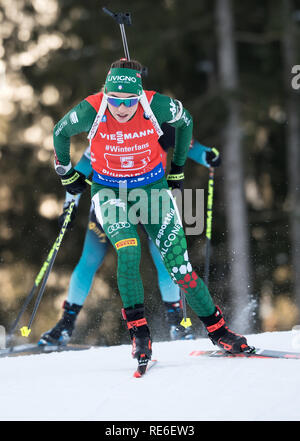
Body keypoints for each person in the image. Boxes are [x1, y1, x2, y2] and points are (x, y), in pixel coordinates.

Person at [47, 58, 250, 369]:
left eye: (130, 100)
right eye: (115, 99)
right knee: (116, 254)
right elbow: (68, 145)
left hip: (152, 192)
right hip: (110, 196)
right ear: (106, 93)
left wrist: (185, 166)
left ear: (140, 92)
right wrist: (67, 187)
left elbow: (187, 131)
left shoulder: (156, 111)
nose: (122, 107)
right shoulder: (95, 112)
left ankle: (211, 329)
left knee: (176, 266)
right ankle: (130, 333)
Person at [38, 130, 221, 346]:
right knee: (89, 259)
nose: (122, 109)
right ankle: (65, 325)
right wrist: (70, 205)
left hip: (148, 202)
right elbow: (79, 172)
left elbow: (189, 144)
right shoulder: (103, 129)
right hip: (110, 204)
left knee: (166, 260)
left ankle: (177, 323)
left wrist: (208, 155)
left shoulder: (154, 123)